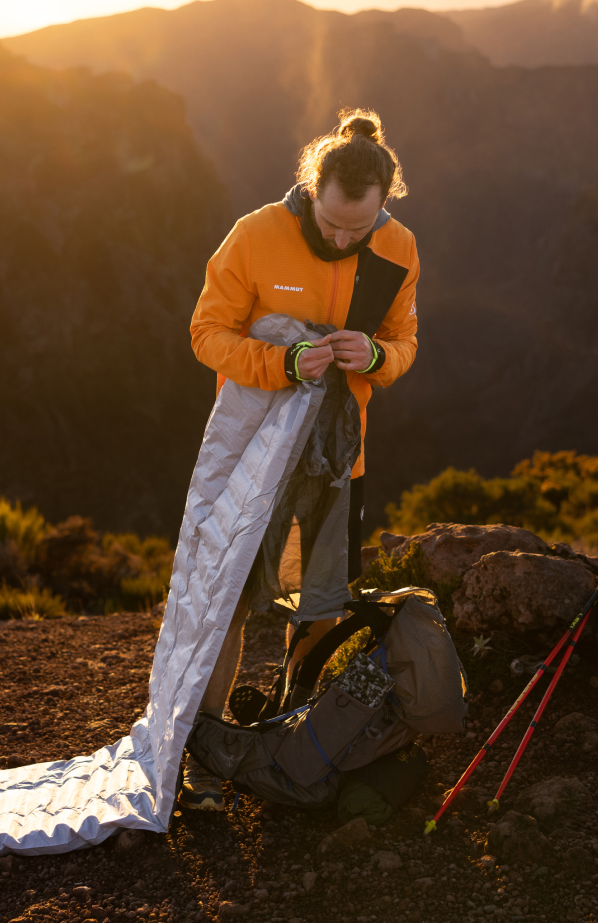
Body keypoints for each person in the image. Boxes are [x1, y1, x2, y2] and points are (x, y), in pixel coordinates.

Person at [182, 108, 421, 809]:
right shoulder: (256, 235)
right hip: (255, 461)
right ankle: (200, 753)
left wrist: (376, 355)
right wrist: (281, 360)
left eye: (360, 228)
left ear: (384, 204)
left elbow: (405, 343)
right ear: (310, 190)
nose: (345, 239)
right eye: (332, 225)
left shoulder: (398, 246)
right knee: (228, 600)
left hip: (339, 464)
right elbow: (205, 335)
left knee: (319, 605)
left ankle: (294, 741)